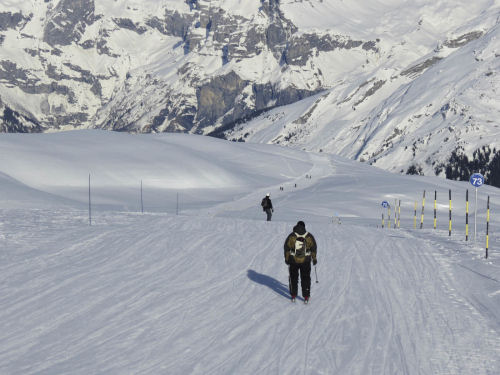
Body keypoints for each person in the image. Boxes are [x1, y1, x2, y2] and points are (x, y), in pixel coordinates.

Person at [283, 221, 317, 303]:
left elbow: (286, 248)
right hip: (306, 260)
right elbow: (313, 248)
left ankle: (293, 295)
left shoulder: (292, 235)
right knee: (305, 278)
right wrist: (314, 258)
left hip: (293, 260)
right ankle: (306, 296)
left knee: (293, 278)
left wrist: (287, 259)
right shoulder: (309, 236)